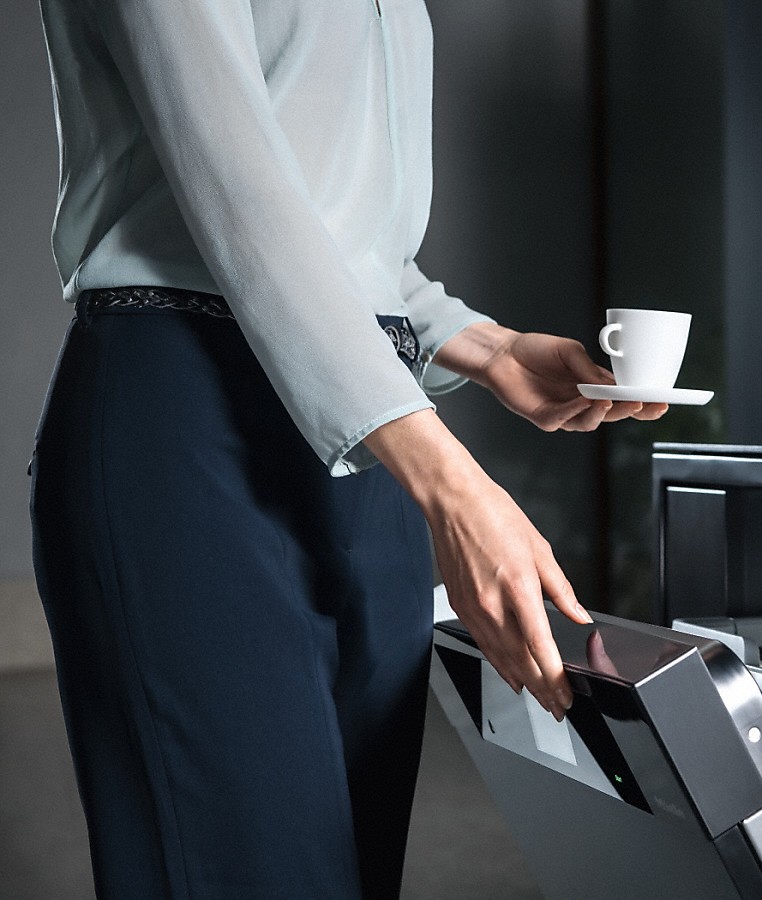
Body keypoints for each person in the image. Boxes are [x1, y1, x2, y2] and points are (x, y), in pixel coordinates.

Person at [30, 1, 665, 897]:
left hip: (372, 443)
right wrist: (449, 482)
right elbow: (233, 184)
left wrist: (486, 347)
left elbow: (351, 238)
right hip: (189, 421)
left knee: (351, 870)